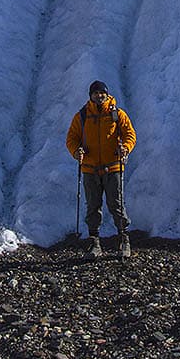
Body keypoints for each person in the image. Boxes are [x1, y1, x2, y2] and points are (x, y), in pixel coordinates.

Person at [66, 79, 136, 258]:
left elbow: (130, 134)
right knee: (93, 207)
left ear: (107, 94)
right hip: (90, 169)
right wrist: (76, 151)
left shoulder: (117, 114)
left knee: (116, 205)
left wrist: (125, 148)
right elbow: (72, 138)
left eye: (101, 93)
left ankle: (122, 240)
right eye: (95, 93)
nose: (99, 96)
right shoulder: (81, 116)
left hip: (112, 167)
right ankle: (94, 243)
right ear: (91, 95)